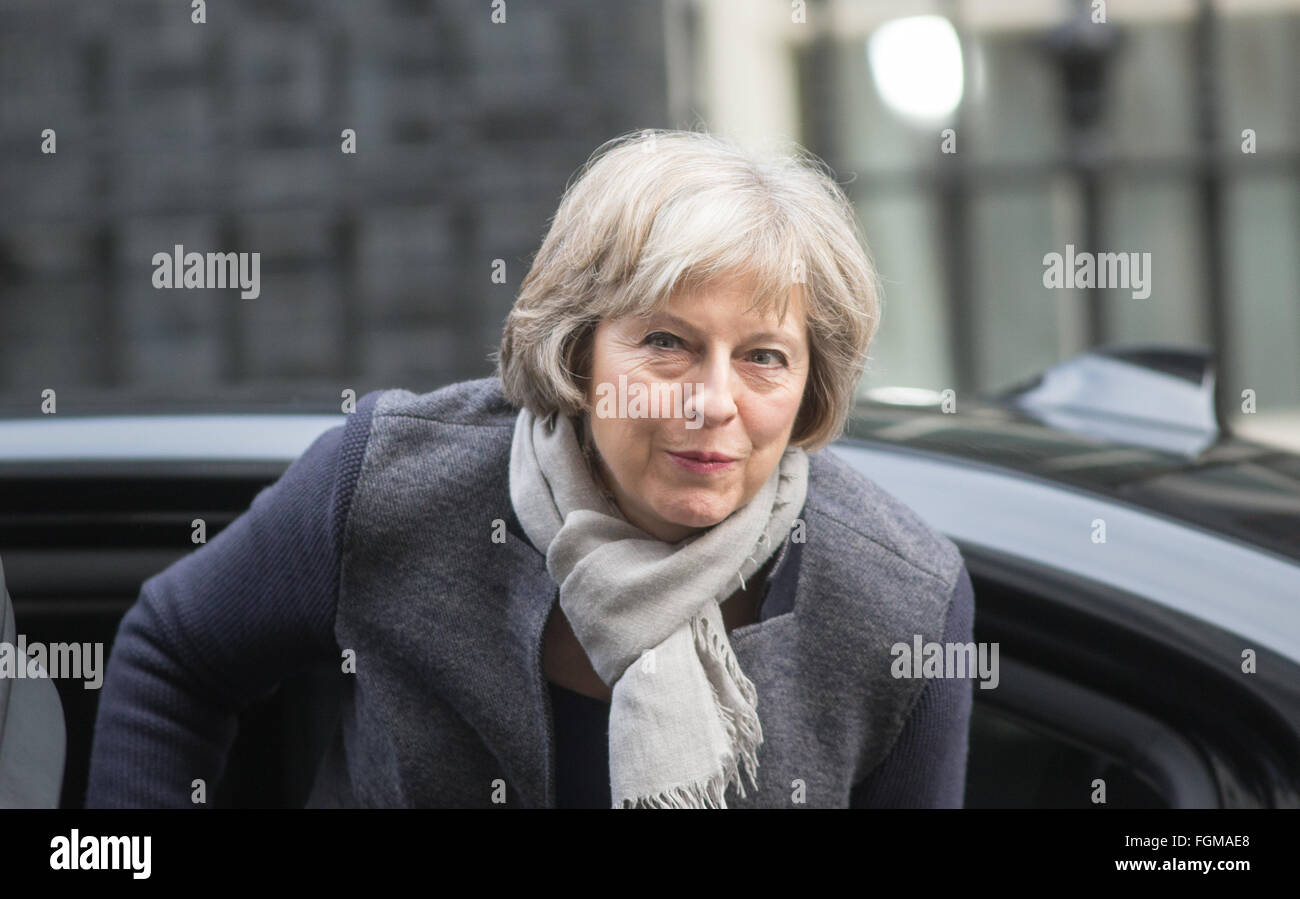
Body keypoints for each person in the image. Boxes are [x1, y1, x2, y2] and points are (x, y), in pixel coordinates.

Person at [86, 128, 976, 808]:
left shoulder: (896, 598)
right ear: (578, 347)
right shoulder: (395, 484)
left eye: (764, 356)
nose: (713, 400)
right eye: (667, 341)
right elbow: (174, 655)